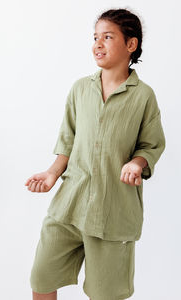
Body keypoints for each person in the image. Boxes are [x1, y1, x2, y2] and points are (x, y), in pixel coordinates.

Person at [25, 7, 166, 300]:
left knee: (107, 294)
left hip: (112, 212)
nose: (97, 44)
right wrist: (52, 174)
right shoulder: (80, 89)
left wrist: (137, 164)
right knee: (42, 276)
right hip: (69, 205)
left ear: (131, 44)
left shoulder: (143, 96)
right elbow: (68, 140)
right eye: (95, 37)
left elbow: (151, 145)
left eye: (107, 37)